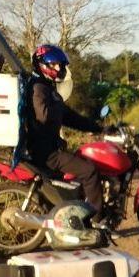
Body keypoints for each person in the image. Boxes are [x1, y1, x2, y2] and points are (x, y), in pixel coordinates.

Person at [26, 44, 104, 217]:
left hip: (50, 147)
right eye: (54, 65)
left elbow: (70, 117)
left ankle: (71, 212)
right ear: (42, 64)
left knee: (81, 166)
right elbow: (44, 116)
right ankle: (96, 219)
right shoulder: (38, 88)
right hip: (46, 152)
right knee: (89, 171)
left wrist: (97, 127)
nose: (59, 68)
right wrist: (59, 109)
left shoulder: (47, 87)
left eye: (60, 65)